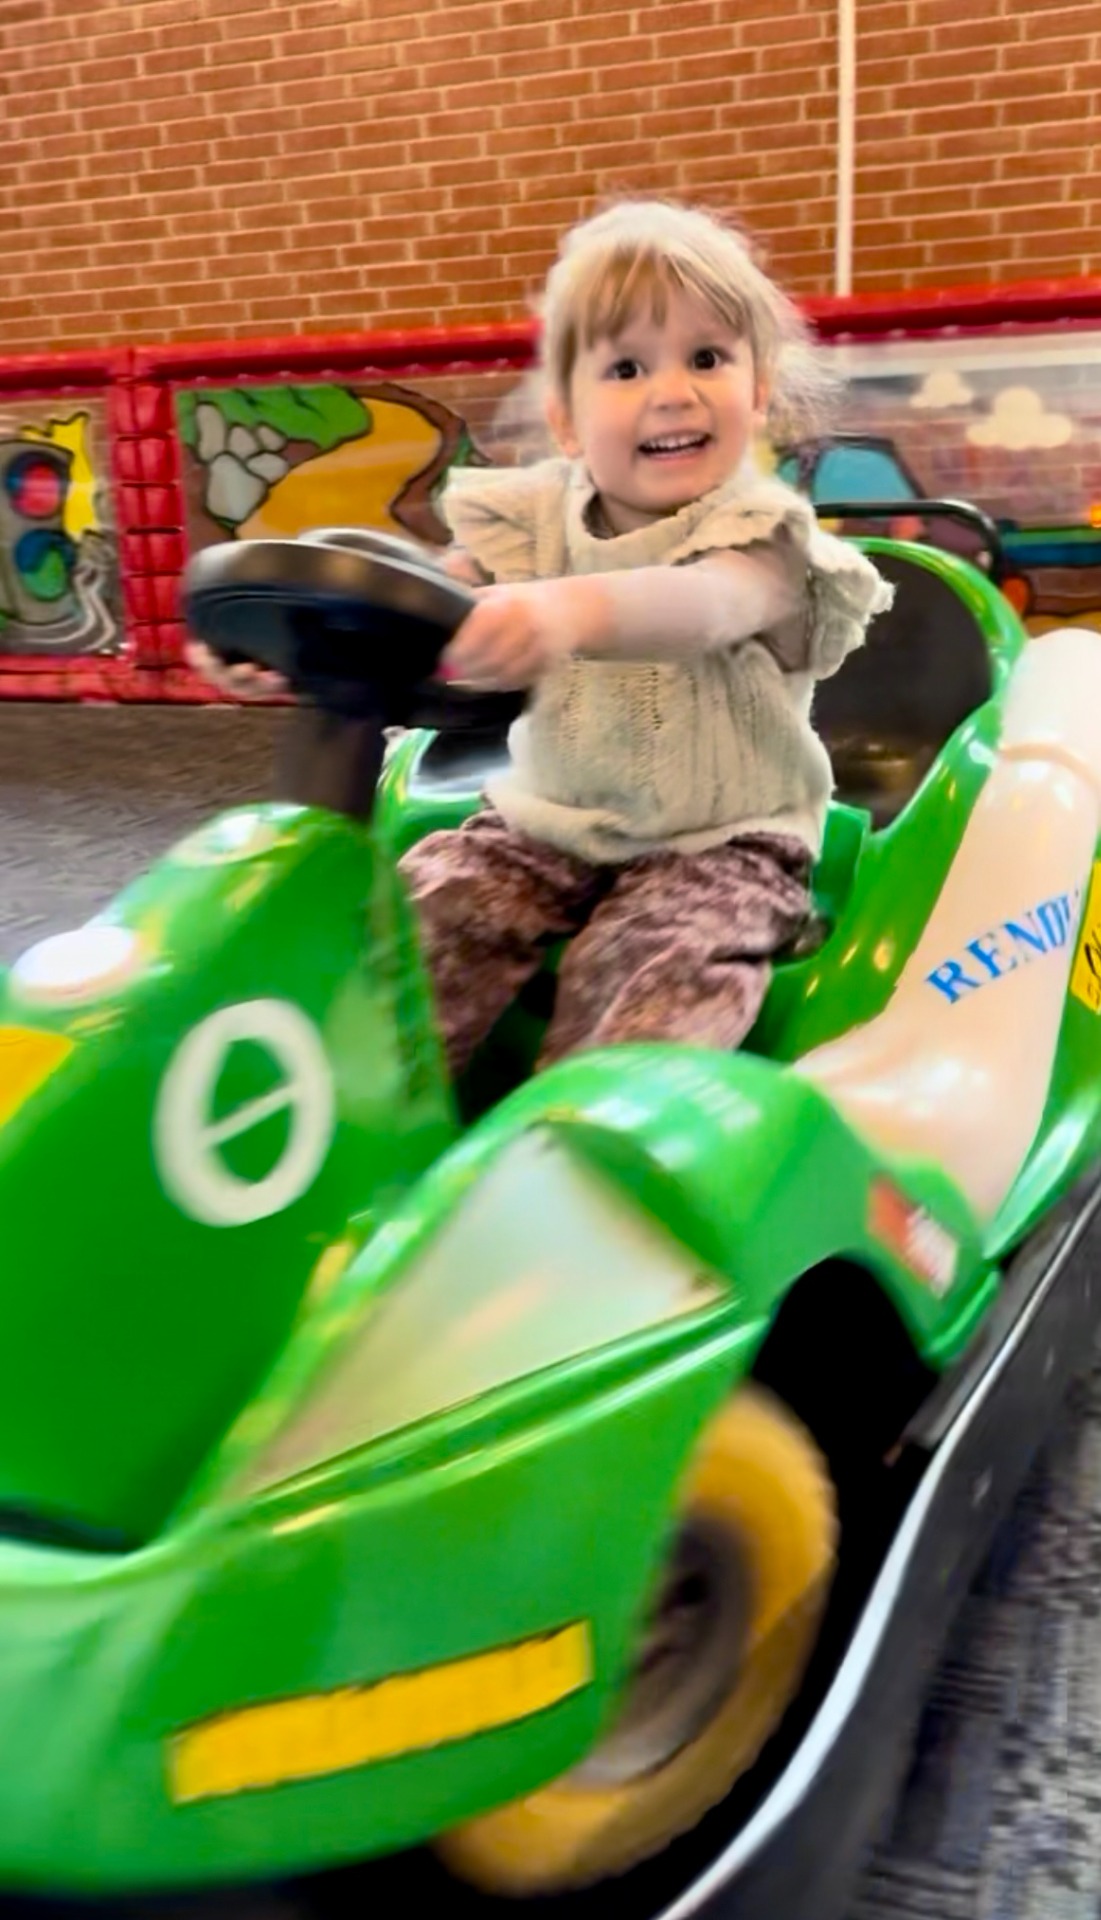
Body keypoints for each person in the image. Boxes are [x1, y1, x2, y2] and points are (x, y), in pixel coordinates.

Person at [188, 198, 892, 1078]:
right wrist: (295, 650)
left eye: (707, 358)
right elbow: (436, 598)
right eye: (626, 367)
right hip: (542, 828)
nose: (672, 391)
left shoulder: (758, 536)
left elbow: (705, 603)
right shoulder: (532, 522)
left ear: (756, 392)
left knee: (647, 964)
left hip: (722, 842)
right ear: (565, 419)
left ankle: (584, 1132)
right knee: (419, 918)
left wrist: (564, 612)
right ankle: (356, 1107)